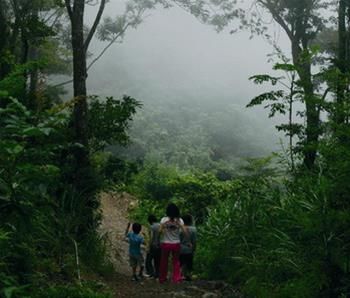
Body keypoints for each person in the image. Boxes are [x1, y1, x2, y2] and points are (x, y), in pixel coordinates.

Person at [159, 203, 187, 284]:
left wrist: (164, 225)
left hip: (166, 243)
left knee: (164, 261)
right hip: (176, 243)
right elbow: (185, 232)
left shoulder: (164, 220)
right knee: (176, 261)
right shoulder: (180, 220)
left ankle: (162, 278)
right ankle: (176, 278)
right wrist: (179, 226)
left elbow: (159, 231)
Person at [180, 214, 197, 281]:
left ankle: (181, 275)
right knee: (189, 263)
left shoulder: (180, 229)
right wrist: (194, 249)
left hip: (181, 249)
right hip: (189, 249)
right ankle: (188, 275)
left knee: (182, 262)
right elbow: (194, 240)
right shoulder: (193, 229)